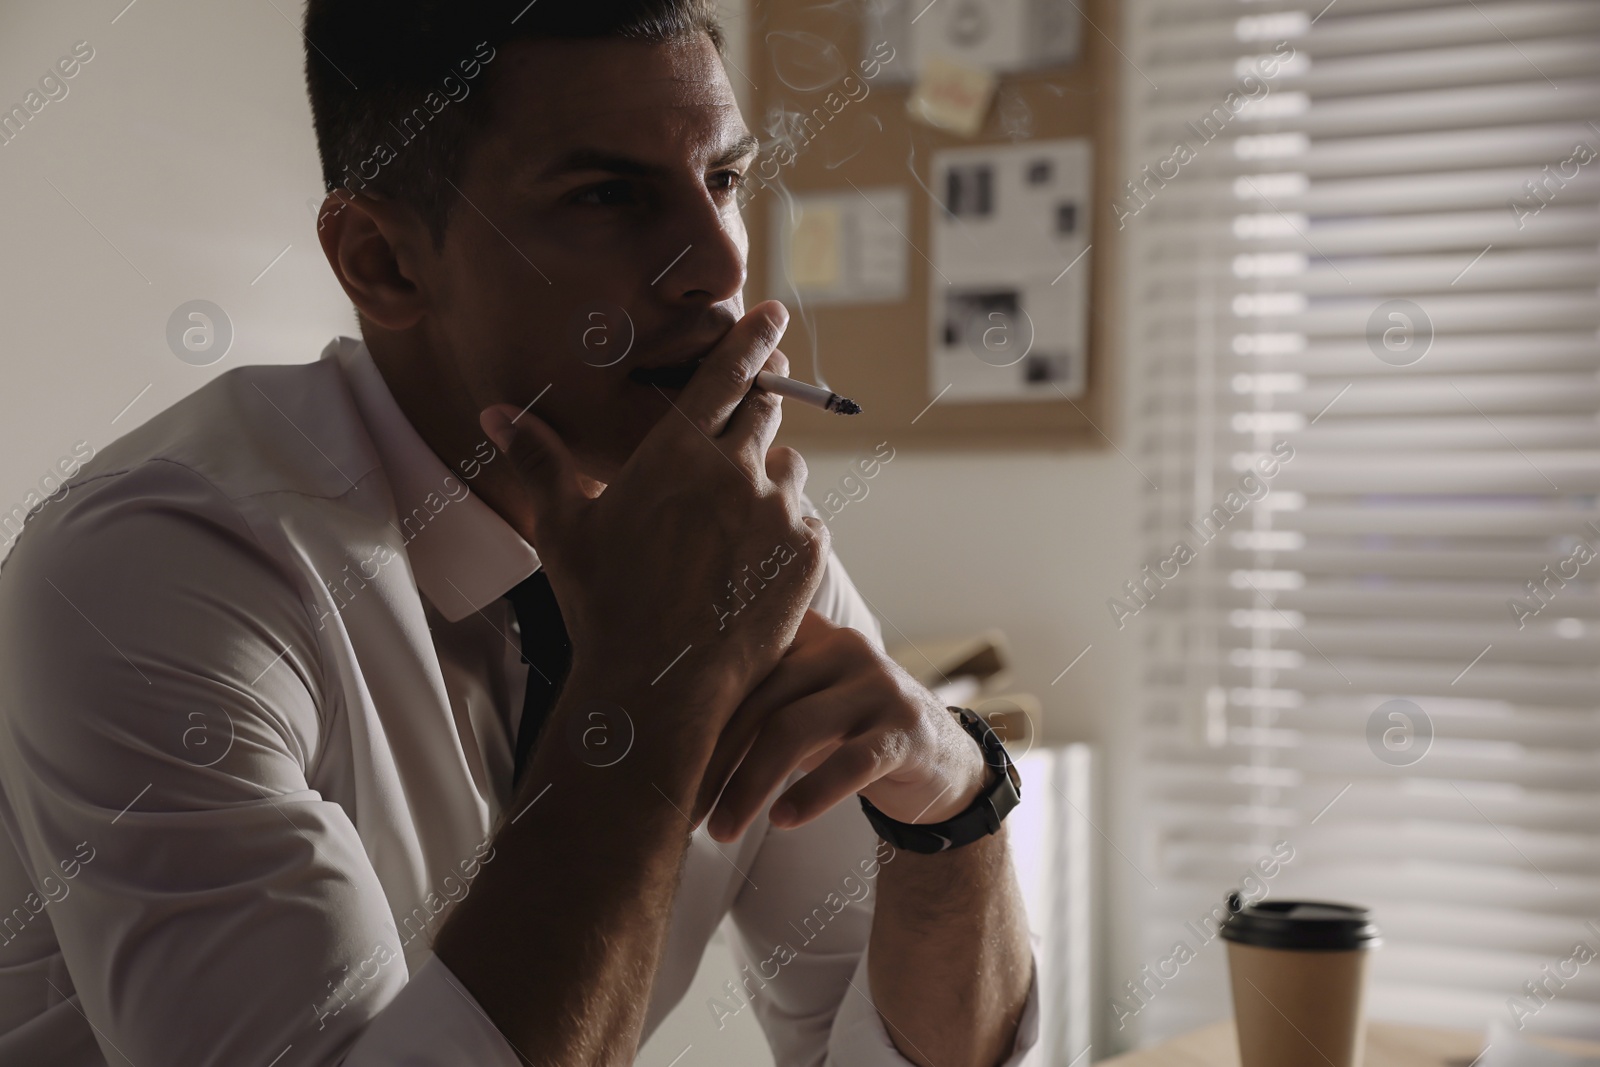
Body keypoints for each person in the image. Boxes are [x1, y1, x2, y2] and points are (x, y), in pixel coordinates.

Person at [0, 2, 1039, 1064]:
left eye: (722, 180)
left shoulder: (725, 536)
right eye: (606, 197)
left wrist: (956, 799)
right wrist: (642, 685)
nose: (717, 268)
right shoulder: (158, 569)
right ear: (384, 262)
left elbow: (879, 1048)